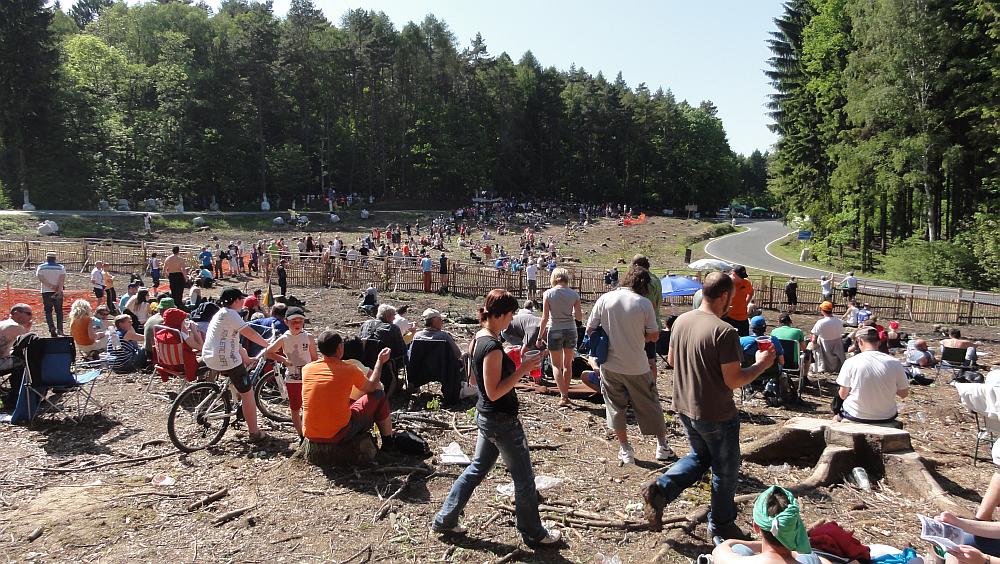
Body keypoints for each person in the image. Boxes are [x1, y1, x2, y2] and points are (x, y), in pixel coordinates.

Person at [642, 271, 776, 540]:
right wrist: (762, 364)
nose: (732, 304)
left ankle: (661, 489)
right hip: (716, 412)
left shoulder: (681, 321)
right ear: (724, 295)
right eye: (732, 298)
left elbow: (671, 360)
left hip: (684, 405)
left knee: (701, 456)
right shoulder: (724, 331)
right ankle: (722, 524)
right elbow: (734, 380)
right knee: (726, 472)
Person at [432, 289, 561, 547]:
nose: (512, 320)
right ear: (500, 315)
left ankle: (445, 519)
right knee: (524, 479)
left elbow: (474, 380)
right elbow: (493, 392)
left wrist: (508, 361)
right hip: (502, 421)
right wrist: (522, 369)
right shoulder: (492, 347)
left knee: (476, 469)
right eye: (511, 315)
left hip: (486, 417)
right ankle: (533, 533)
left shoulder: (479, 338)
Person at [585, 266, 674, 464]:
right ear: (644, 285)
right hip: (637, 365)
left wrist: (606, 340)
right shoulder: (644, 303)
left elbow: (590, 329)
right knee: (650, 404)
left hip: (610, 364)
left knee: (615, 407)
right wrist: (639, 336)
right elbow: (654, 335)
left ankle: (625, 449)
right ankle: (662, 446)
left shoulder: (605, 299)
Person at [301, 331, 397, 448]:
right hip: (337, 434)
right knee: (379, 395)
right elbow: (372, 387)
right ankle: (388, 442)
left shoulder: (307, 369)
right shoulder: (350, 370)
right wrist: (380, 362)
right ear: (339, 348)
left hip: (310, 433)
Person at [201, 288, 272, 442]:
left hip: (211, 357)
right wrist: (267, 345)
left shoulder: (220, 313)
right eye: (241, 299)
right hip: (226, 360)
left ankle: (235, 400)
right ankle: (254, 432)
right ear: (236, 301)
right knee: (248, 394)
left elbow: (233, 341)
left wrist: (246, 358)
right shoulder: (232, 314)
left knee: (239, 375)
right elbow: (250, 333)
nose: (243, 302)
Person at [711, 486, 826, 564]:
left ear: (756, 527)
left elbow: (720, 549)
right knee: (810, 557)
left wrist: (750, 544)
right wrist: (791, 545)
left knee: (738, 548)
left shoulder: (735, 561)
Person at [834, 326, 908, 427]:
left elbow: (843, 395)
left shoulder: (851, 362)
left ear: (859, 341)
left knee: (835, 417)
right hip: (886, 416)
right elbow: (903, 393)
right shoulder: (895, 362)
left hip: (855, 415)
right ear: (879, 342)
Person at [260, 307, 316, 438]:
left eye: (300, 321)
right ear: (286, 322)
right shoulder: (284, 338)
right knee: (295, 408)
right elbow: (268, 353)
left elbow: (314, 358)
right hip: (292, 379)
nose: (297, 324)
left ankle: (309, 432)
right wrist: (283, 360)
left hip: (308, 378)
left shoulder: (308, 337)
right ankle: (301, 434)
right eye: (293, 321)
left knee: (308, 407)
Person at [537, 268, 582, 407]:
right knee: (568, 364)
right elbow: (579, 317)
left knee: (556, 365)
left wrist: (539, 337)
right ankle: (566, 394)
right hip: (571, 330)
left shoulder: (548, 294)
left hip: (555, 329)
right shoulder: (574, 294)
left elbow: (544, 318)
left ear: (554, 278)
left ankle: (563, 396)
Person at [633, 255, 663, 380]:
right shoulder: (656, 279)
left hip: (645, 326)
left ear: (636, 265)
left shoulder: (645, 281)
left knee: (648, 360)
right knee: (650, 359)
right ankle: (652, 387)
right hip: (654, 324)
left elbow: (650, 305)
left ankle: (650, 387)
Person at [0, 304, 33, 411]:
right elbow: (29, 343)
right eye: (28, 313)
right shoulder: (15, 327)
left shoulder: (3, 323)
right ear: (16, 313)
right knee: (24, 363)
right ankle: (16, 398)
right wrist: (27, 329)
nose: (30, 317)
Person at [36, 251, 66, 337]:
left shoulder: (41, 267)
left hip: (46, 291)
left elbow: (41, 278)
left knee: (48, 310)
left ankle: (51, 327)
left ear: (47, 258)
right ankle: (60, 329)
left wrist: (50, 286)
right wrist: (58, 289)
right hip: (58, 291)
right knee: (59, 311)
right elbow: (62, 279)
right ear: (55, 258)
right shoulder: (61, 267)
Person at [810, 302, 845, 374]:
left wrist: (814, 344)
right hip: (837, 343)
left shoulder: (821, 322)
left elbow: (814, 338)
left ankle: (820, 366)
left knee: (814, 345)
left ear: (822, 310)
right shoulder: (839, 321)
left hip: (825, 343)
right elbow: (841, 332)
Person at [723, 265, 753, 337]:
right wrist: (726, 306)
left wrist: (746, 303)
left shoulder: (746, 283)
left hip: (743, 317)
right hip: (728, 316)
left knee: (744, 338)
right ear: (733, 273)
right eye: (740, 277)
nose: (741, 279)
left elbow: (751, 293)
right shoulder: (725, 283)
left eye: (743, 277)